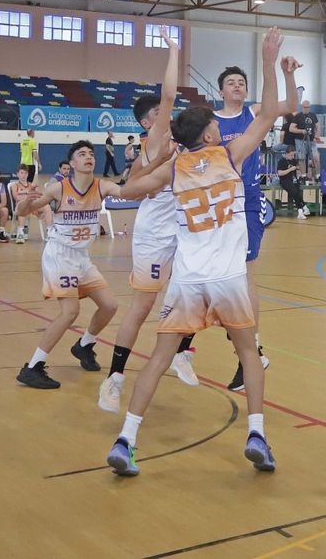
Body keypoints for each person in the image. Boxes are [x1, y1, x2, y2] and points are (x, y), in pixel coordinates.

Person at [104, 30, 298, 476]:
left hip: (188, 279)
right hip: (228, 276)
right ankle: (256, 434)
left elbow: (128, 190)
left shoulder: (172, 170)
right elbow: (270, 112)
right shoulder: (232, 154)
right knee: (249, 354)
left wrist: (127, 175)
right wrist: (269, 60)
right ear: (210, 131)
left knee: (158, 357)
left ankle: (127, 437)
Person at [11, 141, 165, 390]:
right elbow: (21, 212)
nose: (88, 157)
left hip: (81, 256)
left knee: (109, 305)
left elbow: (127, 192)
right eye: (82, 154)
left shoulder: (101, 185)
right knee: (70, 312)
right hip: (60, 255)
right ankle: (32, 367)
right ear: (72, 163)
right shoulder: (58, 189)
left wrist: (156, 164)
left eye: (91, 154)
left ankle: (84, 345)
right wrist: (27, 202)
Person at [100, 33, 193, 410]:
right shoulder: (155, 140)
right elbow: (168, 96)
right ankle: (114, 378)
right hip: (155, 232)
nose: (165, 115)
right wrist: (173, 52)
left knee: (194, 292)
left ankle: (184, 350)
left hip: (185, 228)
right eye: (157, 114)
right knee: (141, 307)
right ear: (145, 122)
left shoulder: (184, 139)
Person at [173, 54, 275, 394]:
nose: (238, 86)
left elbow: (281, 105)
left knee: (242, 273)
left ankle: (251, 349)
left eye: (242, 82)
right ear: (219, 91)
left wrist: (275, 66)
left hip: (244, 202)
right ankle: (196, 346)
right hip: (211, 204)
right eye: (231, 82)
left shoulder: (255, 113)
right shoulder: (205, 124)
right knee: (207, 273)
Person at [285, 100, 320, 180]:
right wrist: (301, 131)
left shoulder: (313, 116)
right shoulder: (298, 116)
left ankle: (318, 175)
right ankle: (303, 176)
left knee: (316, 158)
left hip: (311, 140)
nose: (307, 109)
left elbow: (317, 126)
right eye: (305, 107)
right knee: (301, 158)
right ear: (302, 107)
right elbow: (291, 128)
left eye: (308, 107)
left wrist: (317, 134)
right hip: (300, 140)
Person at [275, 146, 307, 219]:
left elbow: (298, 168)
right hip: (285, 180)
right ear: (286, 154)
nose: (292, 157)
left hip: (293, 180)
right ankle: (302, 209)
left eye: (293, 155)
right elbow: (280, 173)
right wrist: (290, 169)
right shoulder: (282, 161)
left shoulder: (294, 161)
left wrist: (298, 168)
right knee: (294, 191)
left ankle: (303, 209)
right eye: (291, 155)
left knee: (297, 192)